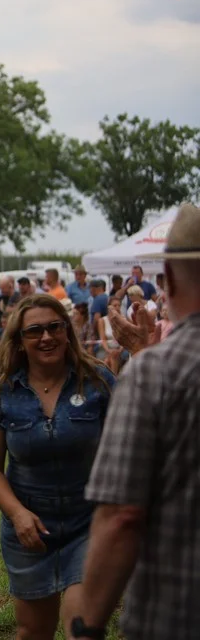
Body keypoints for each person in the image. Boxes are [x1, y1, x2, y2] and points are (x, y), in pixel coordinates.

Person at [69, 202, 200, 640]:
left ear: (168, 278)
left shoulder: (155, 374)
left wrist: (87, 625)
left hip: (176, 614)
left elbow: (123, 515)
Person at [0, 294, 115, 640]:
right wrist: (17, 514)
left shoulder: (98, 382)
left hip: (88, 524)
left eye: (55, 327)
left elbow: (132, 442)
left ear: (68, 331)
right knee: (32, 631)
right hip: (29, 530)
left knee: (83, 628)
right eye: (34, 331)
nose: (47, 337)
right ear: (20, 342)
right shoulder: (0, 393)